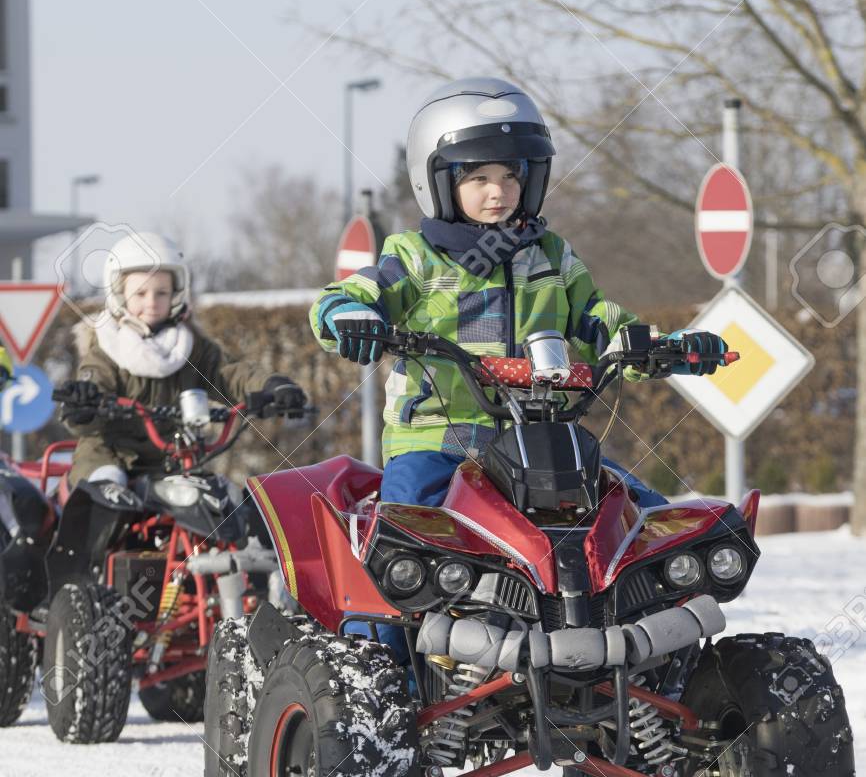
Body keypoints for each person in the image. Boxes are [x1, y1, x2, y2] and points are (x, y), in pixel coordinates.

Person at [310, 76, 727, 515]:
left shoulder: (551, 256)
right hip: (437, 442)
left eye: (512, 175)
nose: (499, 191)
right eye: (479, 177)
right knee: (411, 527)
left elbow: (598, 321)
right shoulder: (416, 257)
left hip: (543, 442)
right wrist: (349, 314)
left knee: (641, 515)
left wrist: (658, 347)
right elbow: (350, 293)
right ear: (435, 181)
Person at [67, 231, 305, 487]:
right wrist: (83, 403)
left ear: (176, 294)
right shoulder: (106, 348)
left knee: (218, 500)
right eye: (140, 294)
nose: (152, 302)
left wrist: (272, 386)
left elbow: (230, 374)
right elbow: (92, 388)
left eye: (161, 293)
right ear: (120, 296)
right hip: (110, 455)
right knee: (105, 490)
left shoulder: (190, 347)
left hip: (175, 457)